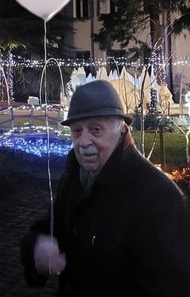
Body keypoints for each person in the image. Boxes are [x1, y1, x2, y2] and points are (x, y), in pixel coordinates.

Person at [20, 79, 190, 296]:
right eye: (77, 131)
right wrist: (38, 246)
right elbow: (50, 226)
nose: (83, 142)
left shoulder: (159, 196)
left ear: (121, 130)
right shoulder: (74, 177)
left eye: (96, 129)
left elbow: (169, 286)